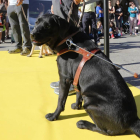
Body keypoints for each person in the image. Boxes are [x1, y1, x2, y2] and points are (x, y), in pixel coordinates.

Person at [50, 0, 82, 94]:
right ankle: (64, 79)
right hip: (58, 3)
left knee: (70, 42)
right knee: (61, 43)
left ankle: (73, 82)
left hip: (67, 3)